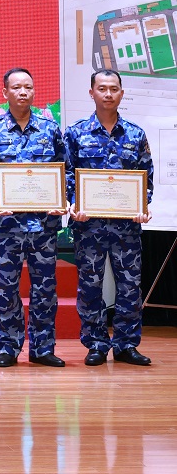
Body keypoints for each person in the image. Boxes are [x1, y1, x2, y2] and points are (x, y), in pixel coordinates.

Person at [0, 67, 68, 367]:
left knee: (45, 289)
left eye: (28, 87)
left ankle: (43, 348)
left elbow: (67, 172)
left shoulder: (51, 130)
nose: (23, 92)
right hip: (6, 226)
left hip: (44, 227)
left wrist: (64, 199)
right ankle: (8, 348)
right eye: (17, 87)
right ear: (5, 92)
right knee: (7, 289)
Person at [66, 69, 154, 366]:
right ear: (91, 93)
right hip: (88, 224)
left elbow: (146, 177)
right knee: (90, 286)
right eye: (102, 88)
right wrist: (73, 203)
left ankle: (126, 345)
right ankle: (96, 344)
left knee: (130, 286)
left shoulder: (135, 134)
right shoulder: (76, 133)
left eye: (113, 89)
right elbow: (67, 175)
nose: (108, 94)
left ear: (121, 93)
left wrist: (143, 205)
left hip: (127, 226)